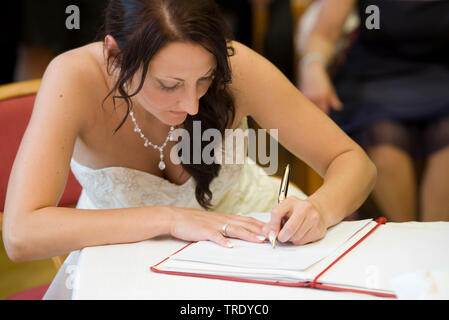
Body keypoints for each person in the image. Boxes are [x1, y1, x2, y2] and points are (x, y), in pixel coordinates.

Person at [3, 0, 375, 268]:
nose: (192, 105)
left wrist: (320, 210)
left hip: (255, 240)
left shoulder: (238, 65)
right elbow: (21, 234)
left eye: (205, 79)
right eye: (168, 84)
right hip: (123, 253)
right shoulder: (73, 78)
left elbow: (353, 161)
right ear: (114, 55)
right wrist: (170, 218)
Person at [298, 0, 449, 222]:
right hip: (374, 76)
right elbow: (324, 34)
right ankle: (403, 235)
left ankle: (437, 239)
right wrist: (313, 66)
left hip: (440, 76)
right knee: (382, 137)